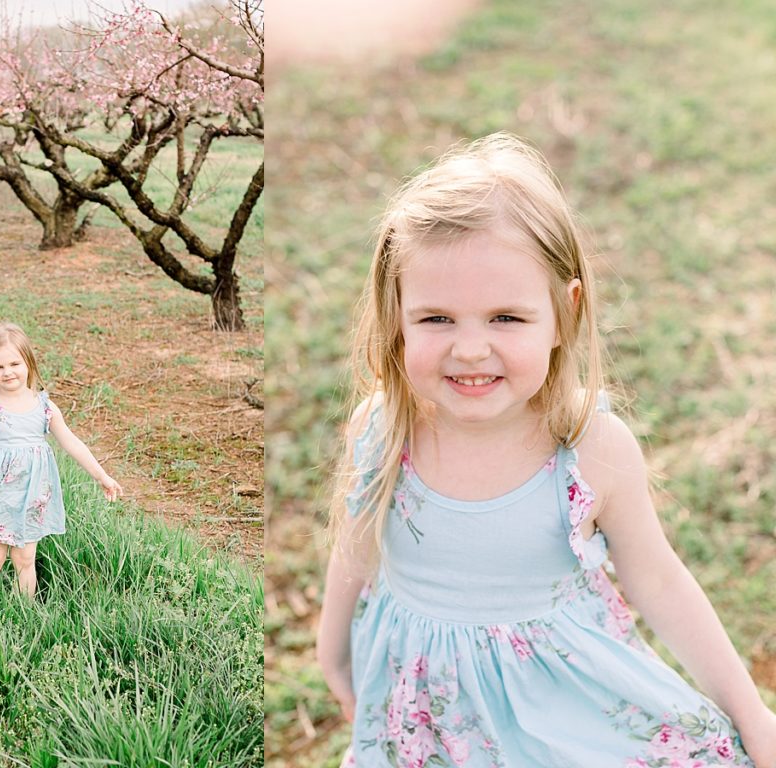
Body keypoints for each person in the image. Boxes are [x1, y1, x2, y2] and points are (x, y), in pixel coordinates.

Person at [316, 133, 776, 767]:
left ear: (565, 311)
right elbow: (356, 544)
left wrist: (752, 713)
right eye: (436, 318)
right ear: (396, 315)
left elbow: (659, 580)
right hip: (424, 711)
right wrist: (330, 650)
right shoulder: (386, 427)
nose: (470, 348)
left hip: (561, 712)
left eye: (506, 317)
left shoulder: (590, 448)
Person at [0, 322, 122, 605]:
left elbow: (72, 443)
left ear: (28, 362)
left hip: (31, 496)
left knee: (25, 557)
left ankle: (24, 612)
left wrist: (102, 476)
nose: (8, 372)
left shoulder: (45, 408)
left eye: (15, 363)